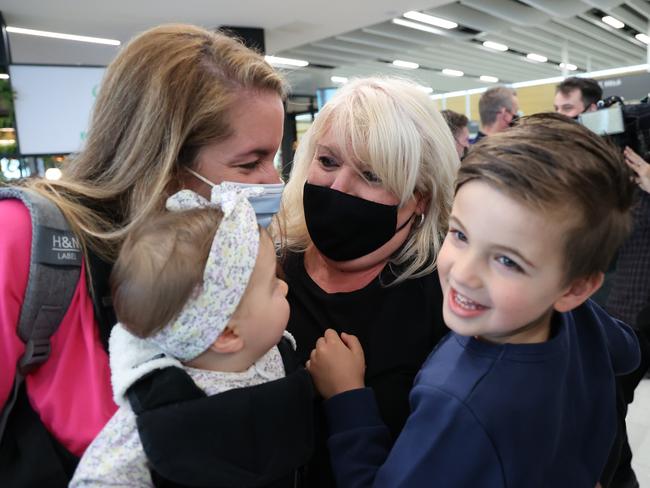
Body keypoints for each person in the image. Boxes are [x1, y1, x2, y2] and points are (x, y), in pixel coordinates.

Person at [0, 24, 287, 486]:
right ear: (165, 161)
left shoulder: (231, 256)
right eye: (250, 163)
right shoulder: (25, 243)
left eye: (274, 158)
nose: (271, 182)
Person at [307, 113, 641, 487]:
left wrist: (347, 397)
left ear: (575, 288)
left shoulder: (457, 400)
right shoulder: (582, 318)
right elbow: (627, 351)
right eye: (460, 235)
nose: (464, 274)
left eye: (506, 261)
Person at [275, 76, 459, 486]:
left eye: (372, 175)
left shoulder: (446, 297)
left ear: (421, 197)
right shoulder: (267, 271)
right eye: (327, 161)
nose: (338, 187)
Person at [71, 188, 313, 487]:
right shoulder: (155, 417)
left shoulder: (274, 355)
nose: (285, 288)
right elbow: (98, 477)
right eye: (272, 285)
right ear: (227, 333)